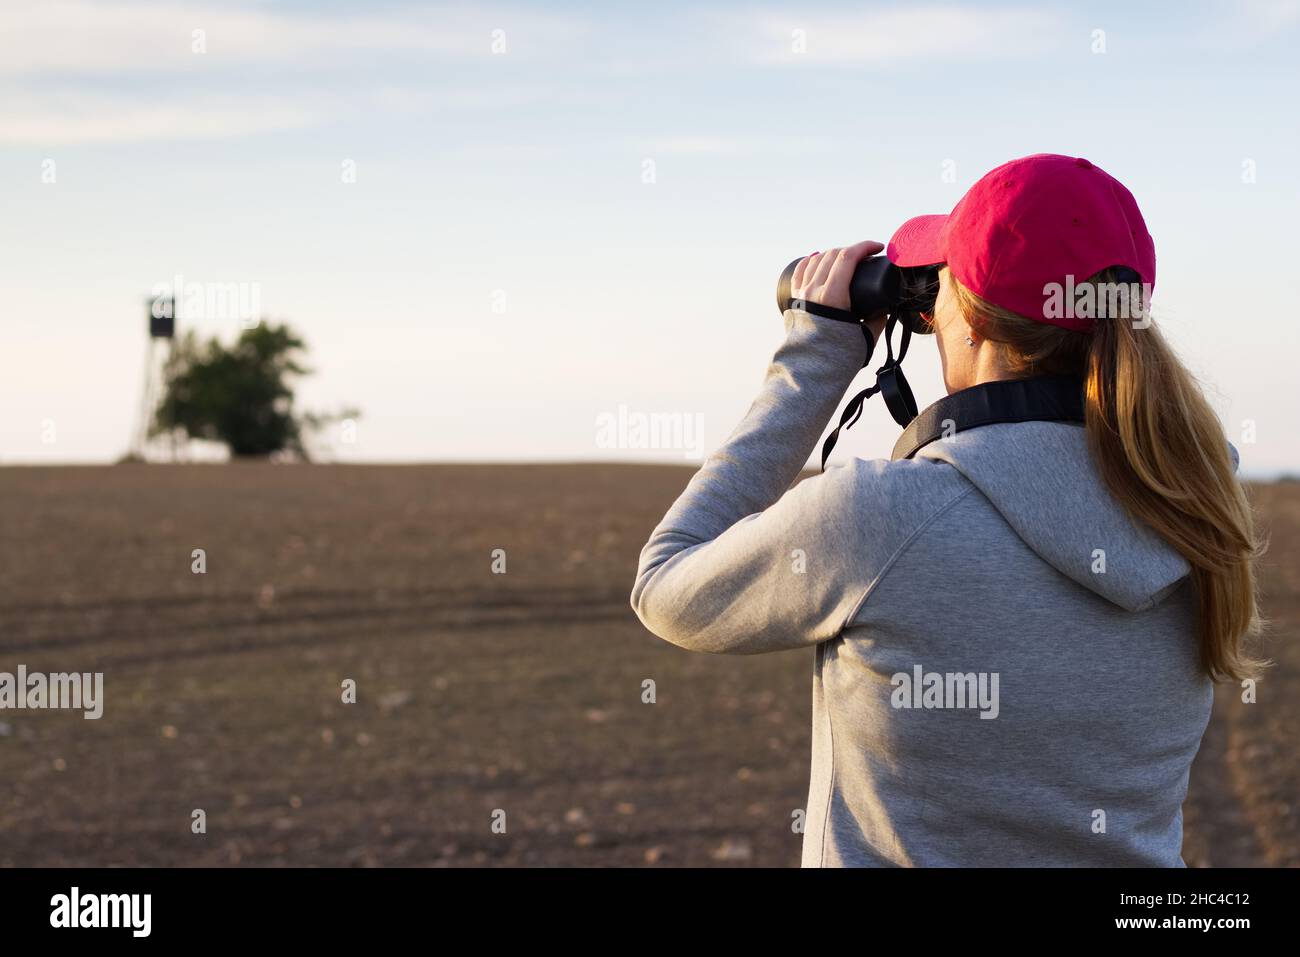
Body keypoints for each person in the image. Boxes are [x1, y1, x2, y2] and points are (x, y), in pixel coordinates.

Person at [630, 154, 1263, 867]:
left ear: (975, 326)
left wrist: (814, 357)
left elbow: (666, 584)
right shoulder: (1200, 513)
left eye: (939, 288)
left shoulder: (883, 519)